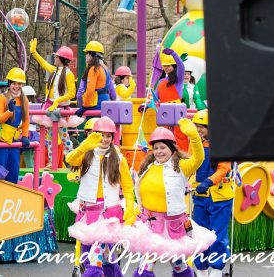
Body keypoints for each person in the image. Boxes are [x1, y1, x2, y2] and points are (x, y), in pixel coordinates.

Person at [130, 120, 208, 277]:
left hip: (173, 227)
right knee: (146, 266)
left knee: (179, 265)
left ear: (172, 149)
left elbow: (198, 158)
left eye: (163, 147)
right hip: (151, 225)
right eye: (156, 148)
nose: (159, 151)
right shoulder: (148, 167)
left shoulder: (181, 166)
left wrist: (194, 136)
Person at [66, 116, 134, 277]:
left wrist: (130, 207)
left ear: (113, 137)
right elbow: (70, 160)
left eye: (108, 135)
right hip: (88, 212)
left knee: (95, 257)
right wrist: (84, 146)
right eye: (101, 135)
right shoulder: (86, 154)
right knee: (99, 256)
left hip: (109, 212)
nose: (105, 139)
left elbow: (128, 186)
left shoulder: (119, 158)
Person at [191, 110, 233, 277]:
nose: (199, 130)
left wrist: (208, 182)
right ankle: (200, 268)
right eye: (197, 126)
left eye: (202, 127)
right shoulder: (195, 144)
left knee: (217, 235)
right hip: (200, 196)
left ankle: (216, 268)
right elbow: (191, 162)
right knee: (199, 234)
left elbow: (224, 168)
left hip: (220, 197)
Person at [0, 67, 31, 183]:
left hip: (14, 141)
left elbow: (26, 119)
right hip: (1, 140)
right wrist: (9, 111)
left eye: (19, 84)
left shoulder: (24, 100)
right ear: (9, 84)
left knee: (14, 173)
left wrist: (24, 136)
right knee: (0, 172)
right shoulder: (1, 98)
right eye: (14, 83)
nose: (17, 86)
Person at [151, 50, 190, 153]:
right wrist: (147, 105)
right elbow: (154, 98)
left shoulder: (178, 79)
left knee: (180, 142)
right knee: (165, 141)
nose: (166, 68)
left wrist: (174, 54)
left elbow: (181, 66)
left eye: (169, 65)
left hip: (178, 116)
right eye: (164, 66)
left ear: (174, 66)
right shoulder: (160, 82)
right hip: (164, 116)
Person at [76, 41, 115, 117]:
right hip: (105, 102)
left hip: (95, 104)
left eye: (86, 53)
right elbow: (112, 90)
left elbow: (90, 90)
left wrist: (84, 107)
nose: (86, 56)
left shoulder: (93, 69)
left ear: (91, 54)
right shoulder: (105, 68)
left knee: (92, 127)